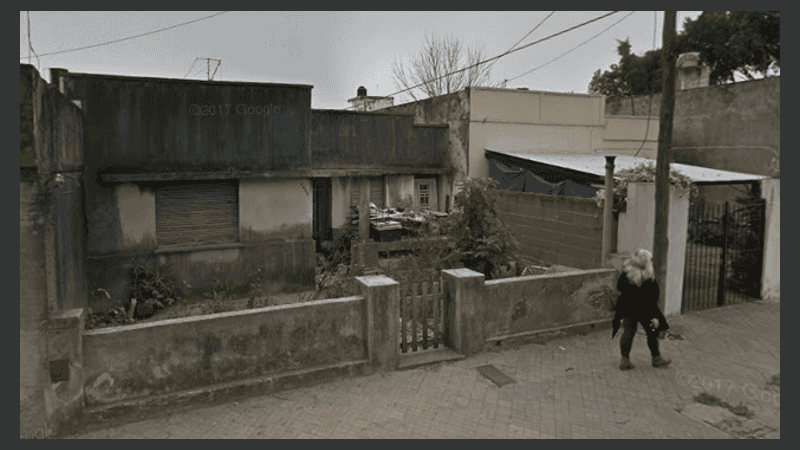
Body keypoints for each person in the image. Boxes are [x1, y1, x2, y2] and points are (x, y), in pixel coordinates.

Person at [612, 249, 671, 370]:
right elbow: (654, 295)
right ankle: (656, 358)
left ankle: (625, 359)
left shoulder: (626, 273)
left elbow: (619, 287)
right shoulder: (648, 275)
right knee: (652, 333)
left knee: (629, 332)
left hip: (628, 307)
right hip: (646, 309)